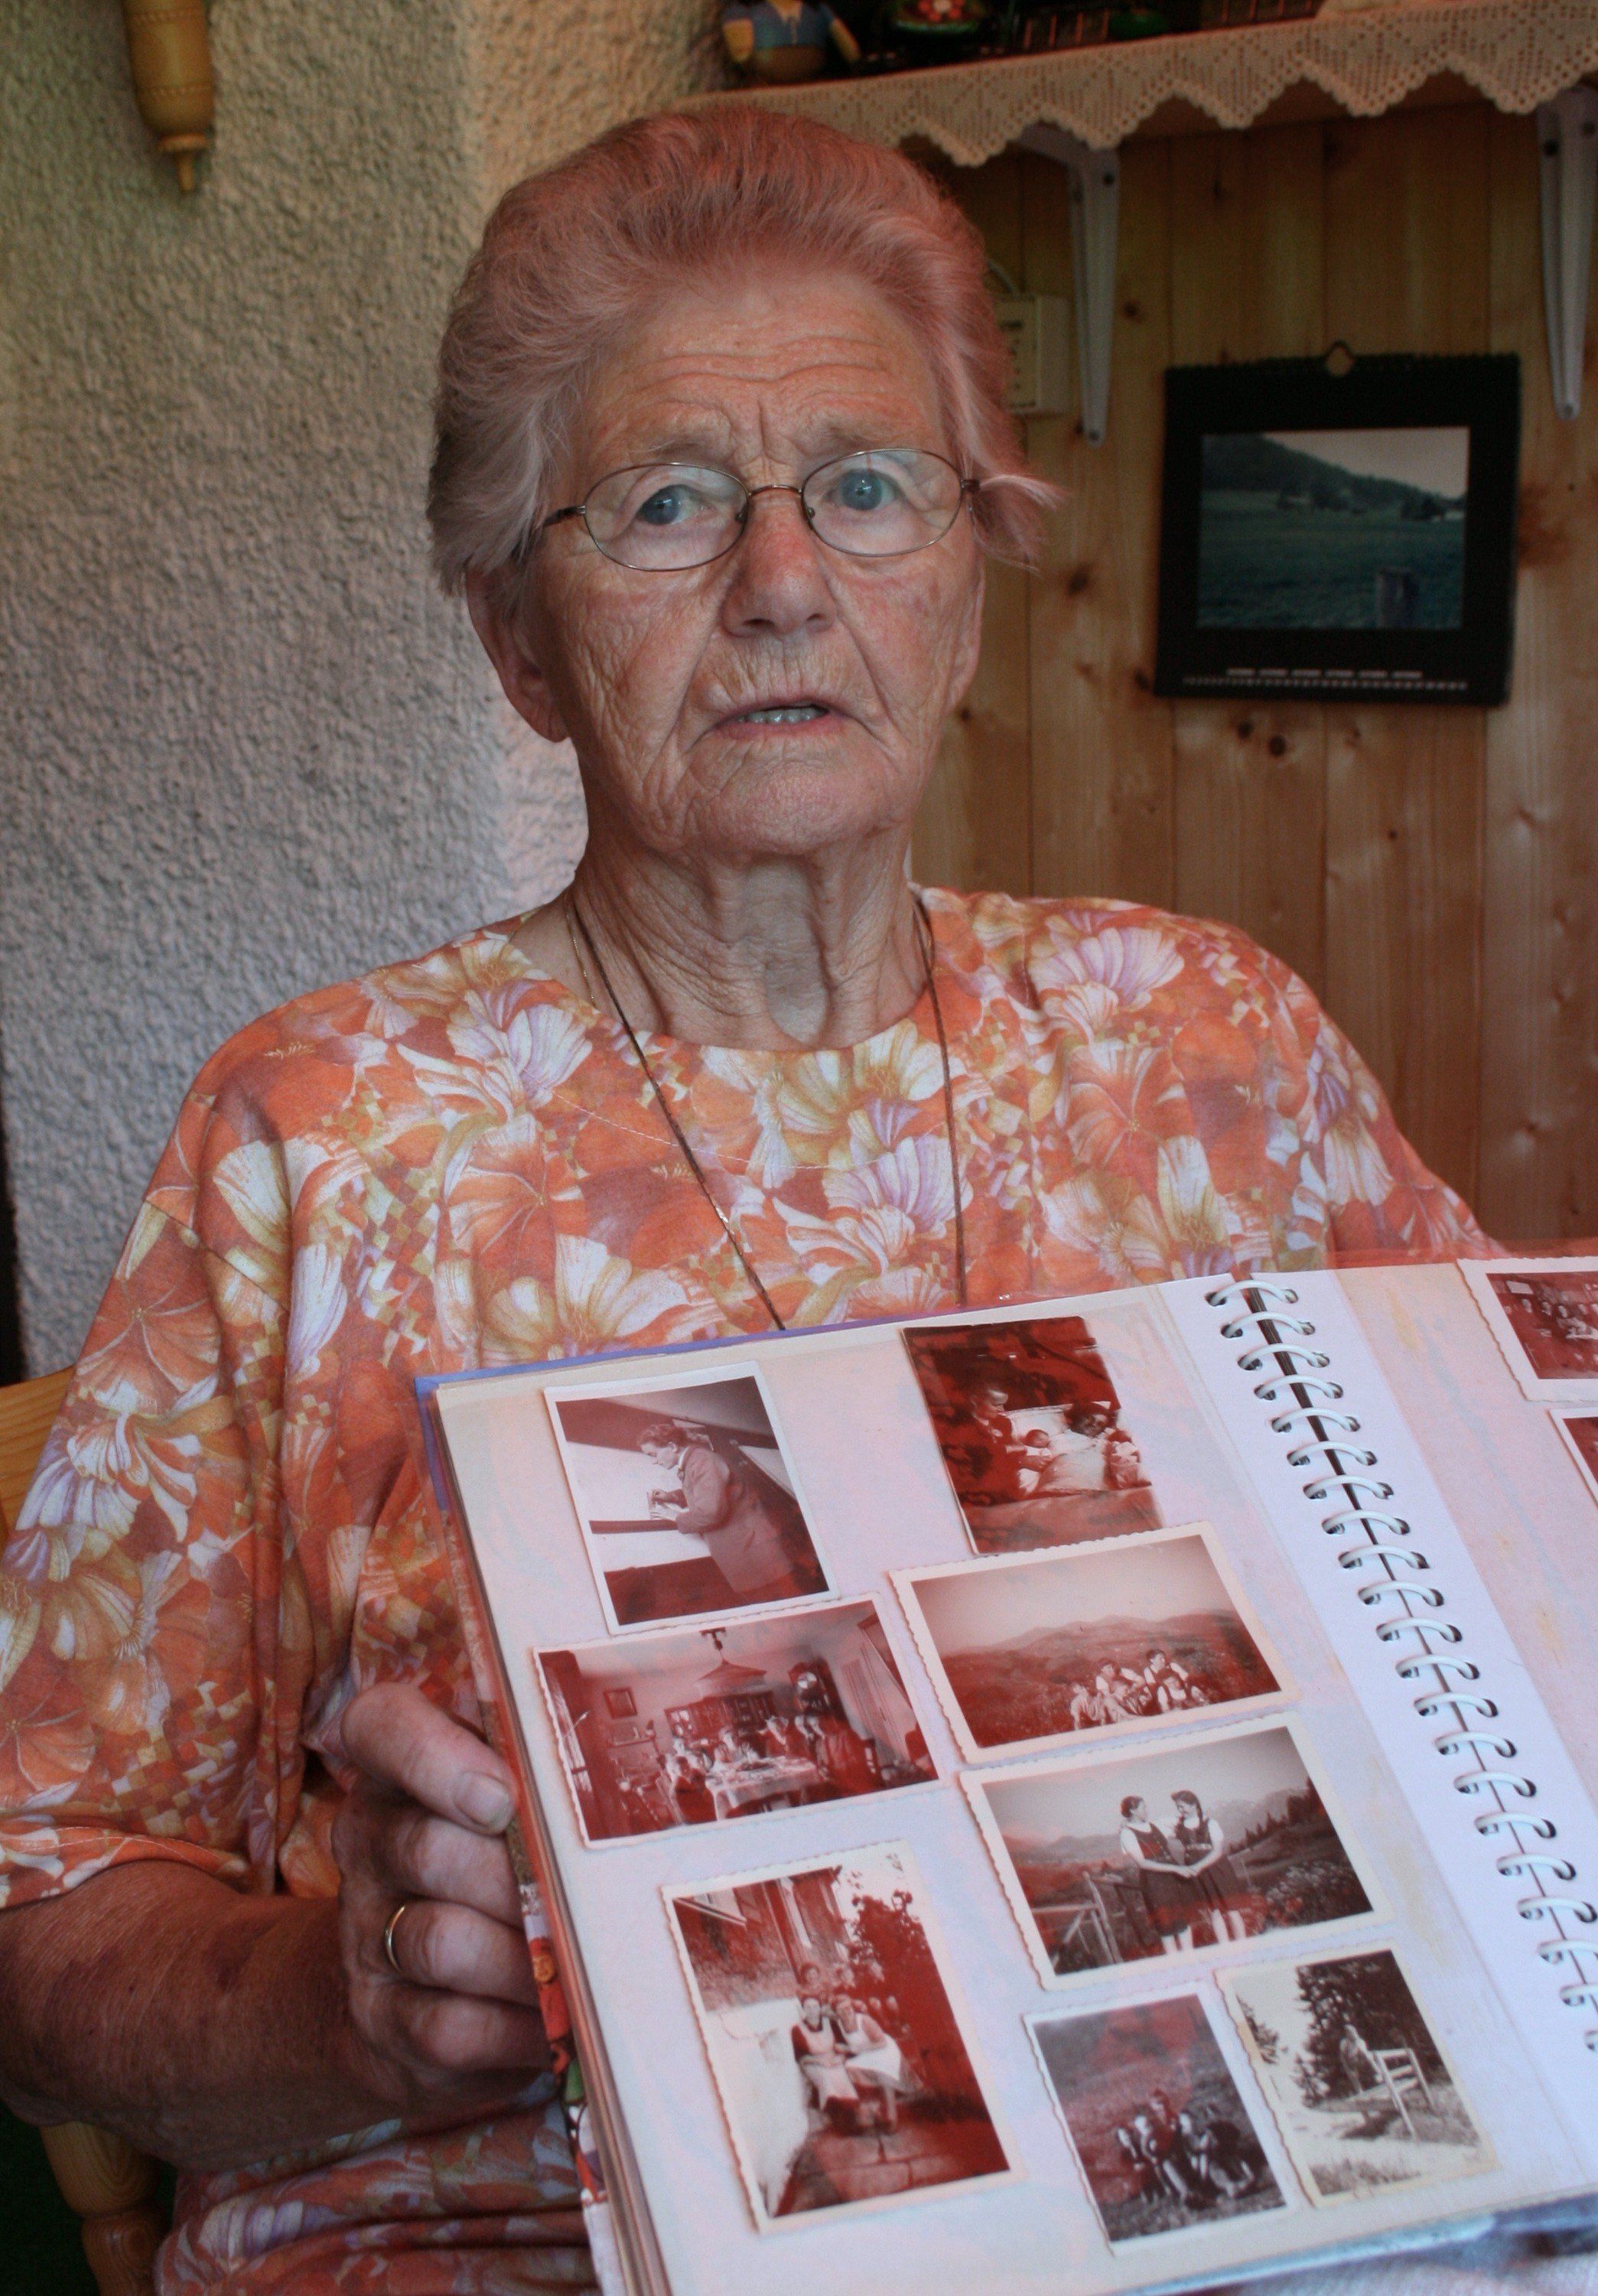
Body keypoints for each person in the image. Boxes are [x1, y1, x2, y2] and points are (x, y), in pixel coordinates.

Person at [0, 102, 1490, 2295]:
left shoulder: (1206, 1045)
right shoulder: (324, 1137)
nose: (785, 581)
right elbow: (40, 1901)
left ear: (961, 597)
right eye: (669, 501)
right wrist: (347, 1999)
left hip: (1258, 2198)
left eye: (868, 488)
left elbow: (1524, 1582)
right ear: (522, 641)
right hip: (511, 2233)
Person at [636, 1418, 817, 1604]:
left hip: (753, 1554)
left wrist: (676, 1517)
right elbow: (705, 1490)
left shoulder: (702, 1461)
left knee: (784, 1605)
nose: (654, 1462)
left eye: (653, 1455)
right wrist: (672, 1496)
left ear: (672, 1446)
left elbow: (711, 1513)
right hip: (746, 1552)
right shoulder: (694, 1461)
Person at [1118, 1795, 1199, 1956]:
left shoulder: (1156, 1825)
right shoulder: (1127, 1833)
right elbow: (1142, 1863)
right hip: (1155, 1882)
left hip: (1174, 1879)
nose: (1147, 1810)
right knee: (1166, 1925)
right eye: (1143, 1808)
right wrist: (1175, 1869)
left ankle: (1191, 1959)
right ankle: (1175, 1963)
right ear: (1133, 1811)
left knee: (1183, 1921)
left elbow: (1184, 1820)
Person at [1170, 1788, 1250, 1945]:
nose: (1180, 1811)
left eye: (1182, 1807)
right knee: (1213, 1911)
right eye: (1178, 1807)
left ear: (1194, 1805)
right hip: (1199, 1874)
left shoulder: (1210, 1823)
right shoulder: (1179, 1826)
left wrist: (1199, 1866)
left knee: (1232, 1909)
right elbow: (1154, 1826)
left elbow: (1218, 1851)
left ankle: (1243, 1946)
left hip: (1218, 1870)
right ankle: (1225, 1948)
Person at [832, 1991, 905, 2129]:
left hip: (882, 2050)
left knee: (883, 2073)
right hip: (865, 2054)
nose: (846, 2012)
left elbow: (882, 2042)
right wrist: (843, 2050)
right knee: (848, 2069)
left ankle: (891, 2117)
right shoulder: (839, 2024)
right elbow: (843, 2046)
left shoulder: (864, 2021)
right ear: (836, 2013)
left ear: (852, 2007)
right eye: (841, 2010)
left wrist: (857, 2049)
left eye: (848, 2008)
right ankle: (872, 2112)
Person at [792, 1994, 858, 2125]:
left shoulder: (830, 2023)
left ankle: (851, 2117)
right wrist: (820, 2062)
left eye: (815, 2006)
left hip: (833, 2058)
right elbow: (800, 2056)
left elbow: (842, 2045)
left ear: (820, 2008)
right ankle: (837, 2118)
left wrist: (840, 2058)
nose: (812, 2010)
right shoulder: (797, 2029)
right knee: (825, 2077)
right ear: (803, 2009)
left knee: (841, 2076)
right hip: (813, 2062)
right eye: (808, 2007)